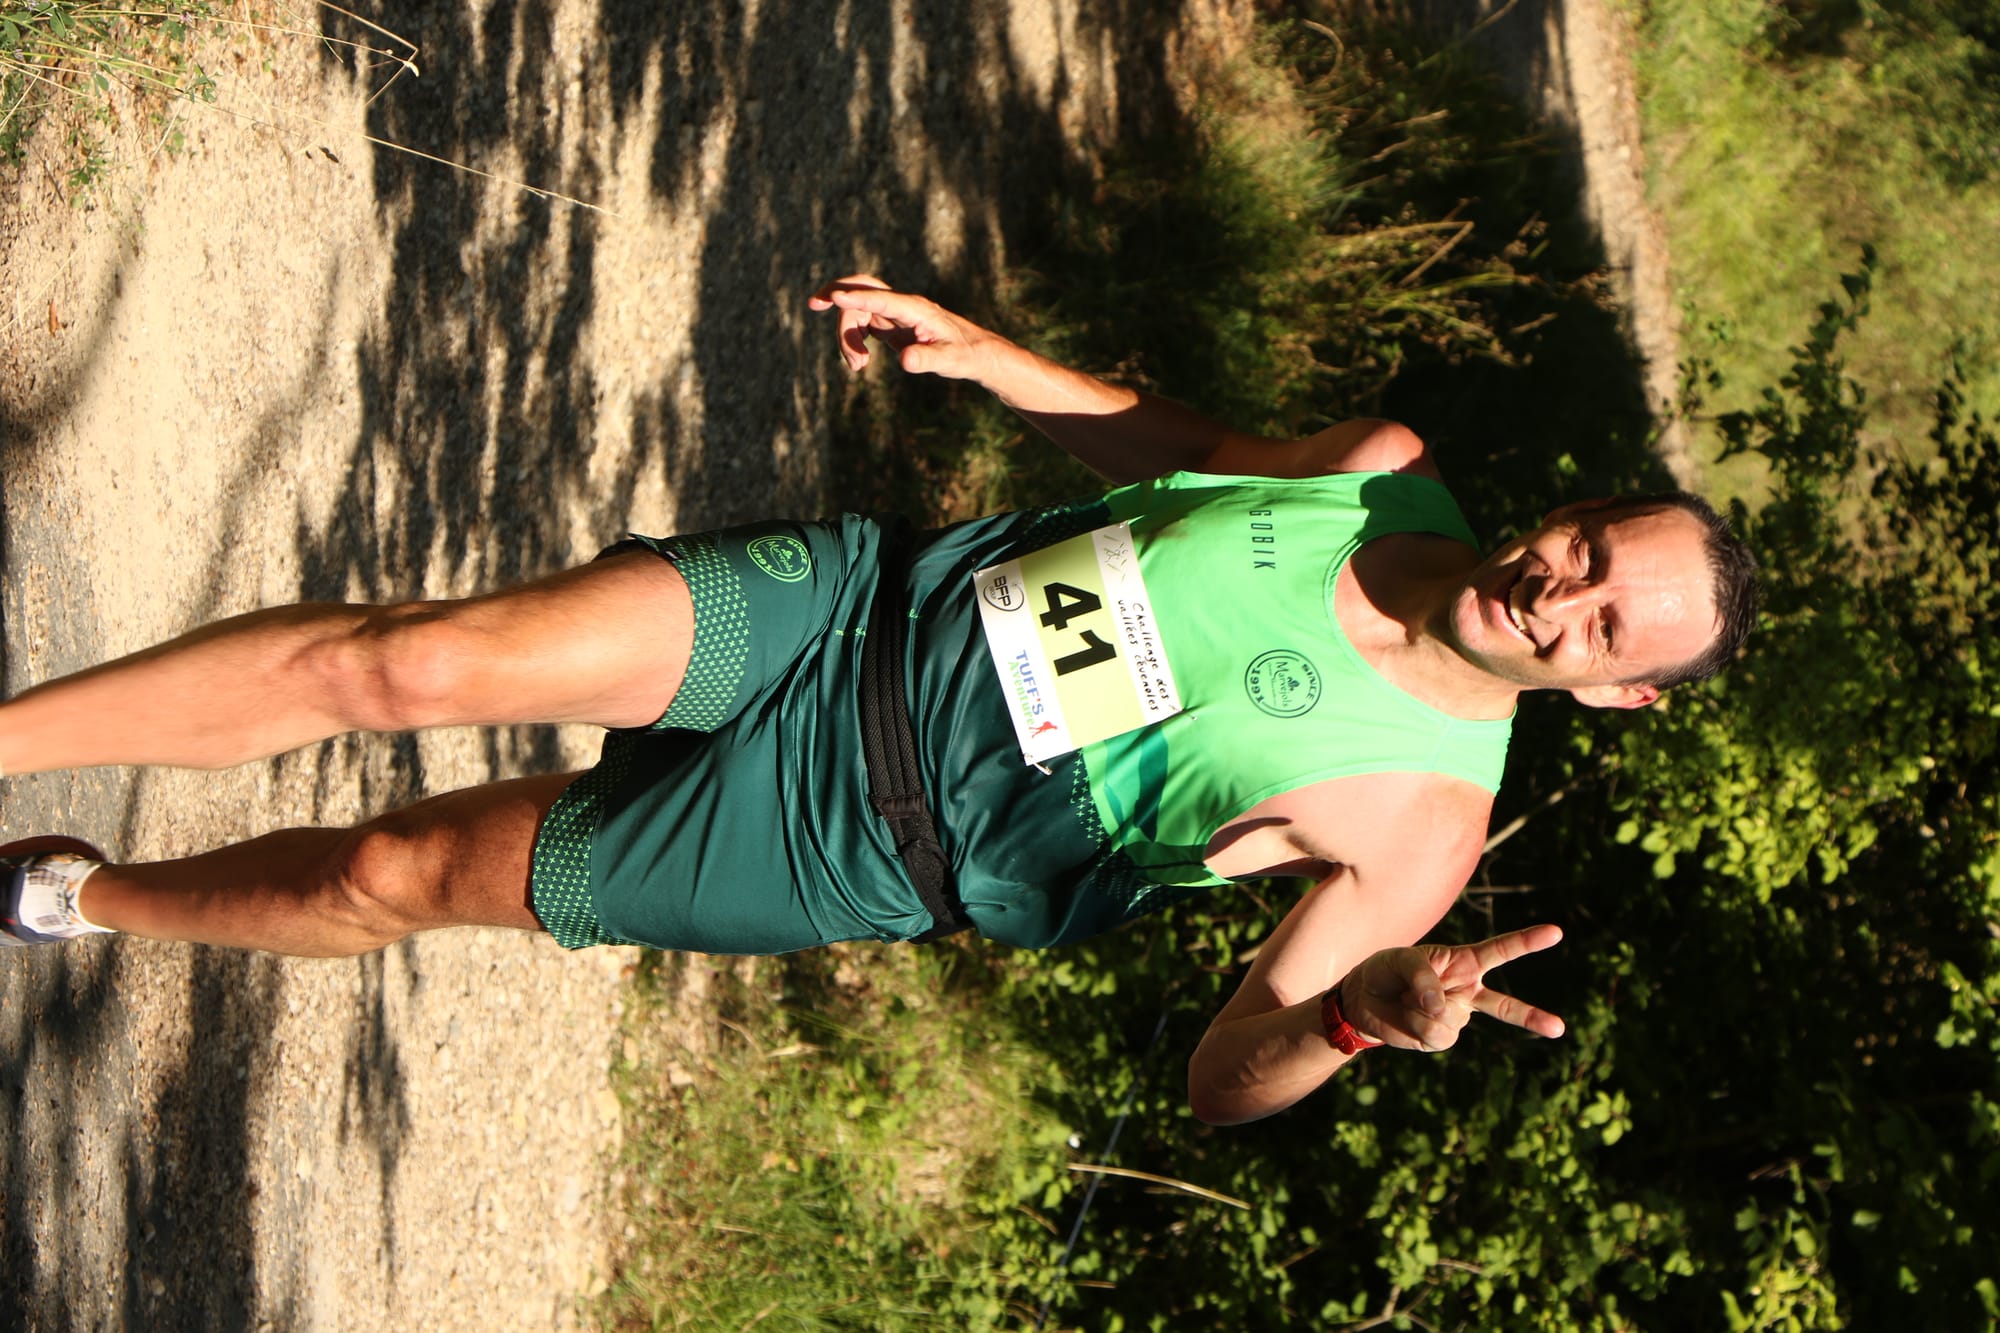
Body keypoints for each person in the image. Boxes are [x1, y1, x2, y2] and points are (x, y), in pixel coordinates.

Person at [0, 277, 1756, 1125]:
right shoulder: (1385, 473)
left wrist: (1362, 1016)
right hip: (850, 616)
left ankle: (81, 892)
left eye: (1611, 627)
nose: (1567, 589)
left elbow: (1225, 1079)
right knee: (412, 657)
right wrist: (995, 362)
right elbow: (1193, 455)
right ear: (1575, 507)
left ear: (1619, 702)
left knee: (394, 870)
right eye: (1596, 543)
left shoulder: (1425, 824)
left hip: (853, 837)